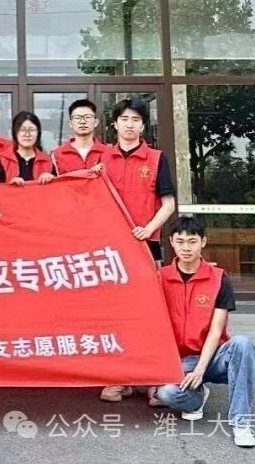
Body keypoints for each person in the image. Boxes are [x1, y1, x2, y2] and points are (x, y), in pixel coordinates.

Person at [153, 216, 255, 448]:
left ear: (203, 242)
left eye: (192, 241)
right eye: (180, 241)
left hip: (213, 357)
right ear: (171, 242)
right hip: (180, 361)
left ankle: (241, 423)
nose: (186, 248)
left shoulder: (219, 278)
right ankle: (197, 398)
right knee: (166, 394)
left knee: (243, 344)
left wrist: (200, 370)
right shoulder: (160, 278)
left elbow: (216, 330)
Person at [99, 98, 176, 403]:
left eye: (135, 120)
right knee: (116, 316)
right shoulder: (102, 159)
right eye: (124, 119)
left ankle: (155, 380)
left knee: (149, 314)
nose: (129, 125)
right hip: (110, 252)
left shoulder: (157, 159)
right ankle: (121, 378)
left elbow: (168, 204)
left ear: (143, 126)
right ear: (114, 124)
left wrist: (147, 228)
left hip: (147, 248)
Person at [0, 111, 56, 185]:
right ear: (15, 132)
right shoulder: (2, 159)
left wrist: (52, 179)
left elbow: (57, 189)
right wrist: (9, 186)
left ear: (38, 133)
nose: (27, 134)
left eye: (32, 130)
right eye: (22, 130)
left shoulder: (47, 161)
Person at [53, 99, 108, 173]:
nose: (82, 121)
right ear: (70, 124)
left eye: (87, 117)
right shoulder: (57, 154)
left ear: (96, 122)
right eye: (77, 118)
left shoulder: (108, 153)